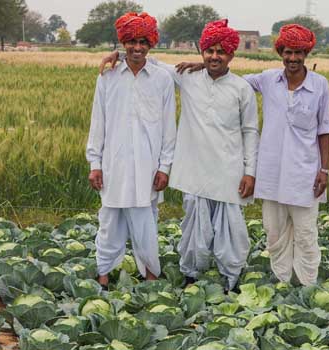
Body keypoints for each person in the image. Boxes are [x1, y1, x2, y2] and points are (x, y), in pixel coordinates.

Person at [156, 24, 329, 286]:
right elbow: (157, 65)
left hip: (303, 173)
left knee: (305, 233)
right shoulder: (267, 80)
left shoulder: (318, 85)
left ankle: (306, 285)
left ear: (305, 54)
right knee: (274, 234)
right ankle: (282, 283)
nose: (293, 58)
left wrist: (324, 170)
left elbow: (323, 128)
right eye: (288, 52)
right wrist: (203, 64)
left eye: (298, 53)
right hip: (269, 173)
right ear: (280, 53)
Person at [101, 19, 259, 292]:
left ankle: (231, 281)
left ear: (232, 54)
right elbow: (148, 60)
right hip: (194, 173)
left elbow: (250, 132)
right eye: (209, 50)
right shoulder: (186, 77)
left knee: (230, 232)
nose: (214, 56)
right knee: (193, 233)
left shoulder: (241, 88)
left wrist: (250, 171)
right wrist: (118, 55)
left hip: (229, 172)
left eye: (221, 51)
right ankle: (191, 278)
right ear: (201, 52)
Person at [86, 12, 177, 288]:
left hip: (148, 168)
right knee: (109, 221)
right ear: (123, 42)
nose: (137, 48)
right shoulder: (108, 76)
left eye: (143, 42)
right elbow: (98, 121)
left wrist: (164, 167)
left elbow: (168, 127)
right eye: (131, 42)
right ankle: (103, 276)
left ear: (151, 44)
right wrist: (95, 163)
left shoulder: (162, 79)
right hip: (114, 165)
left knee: (146, 224)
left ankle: (151, 277)